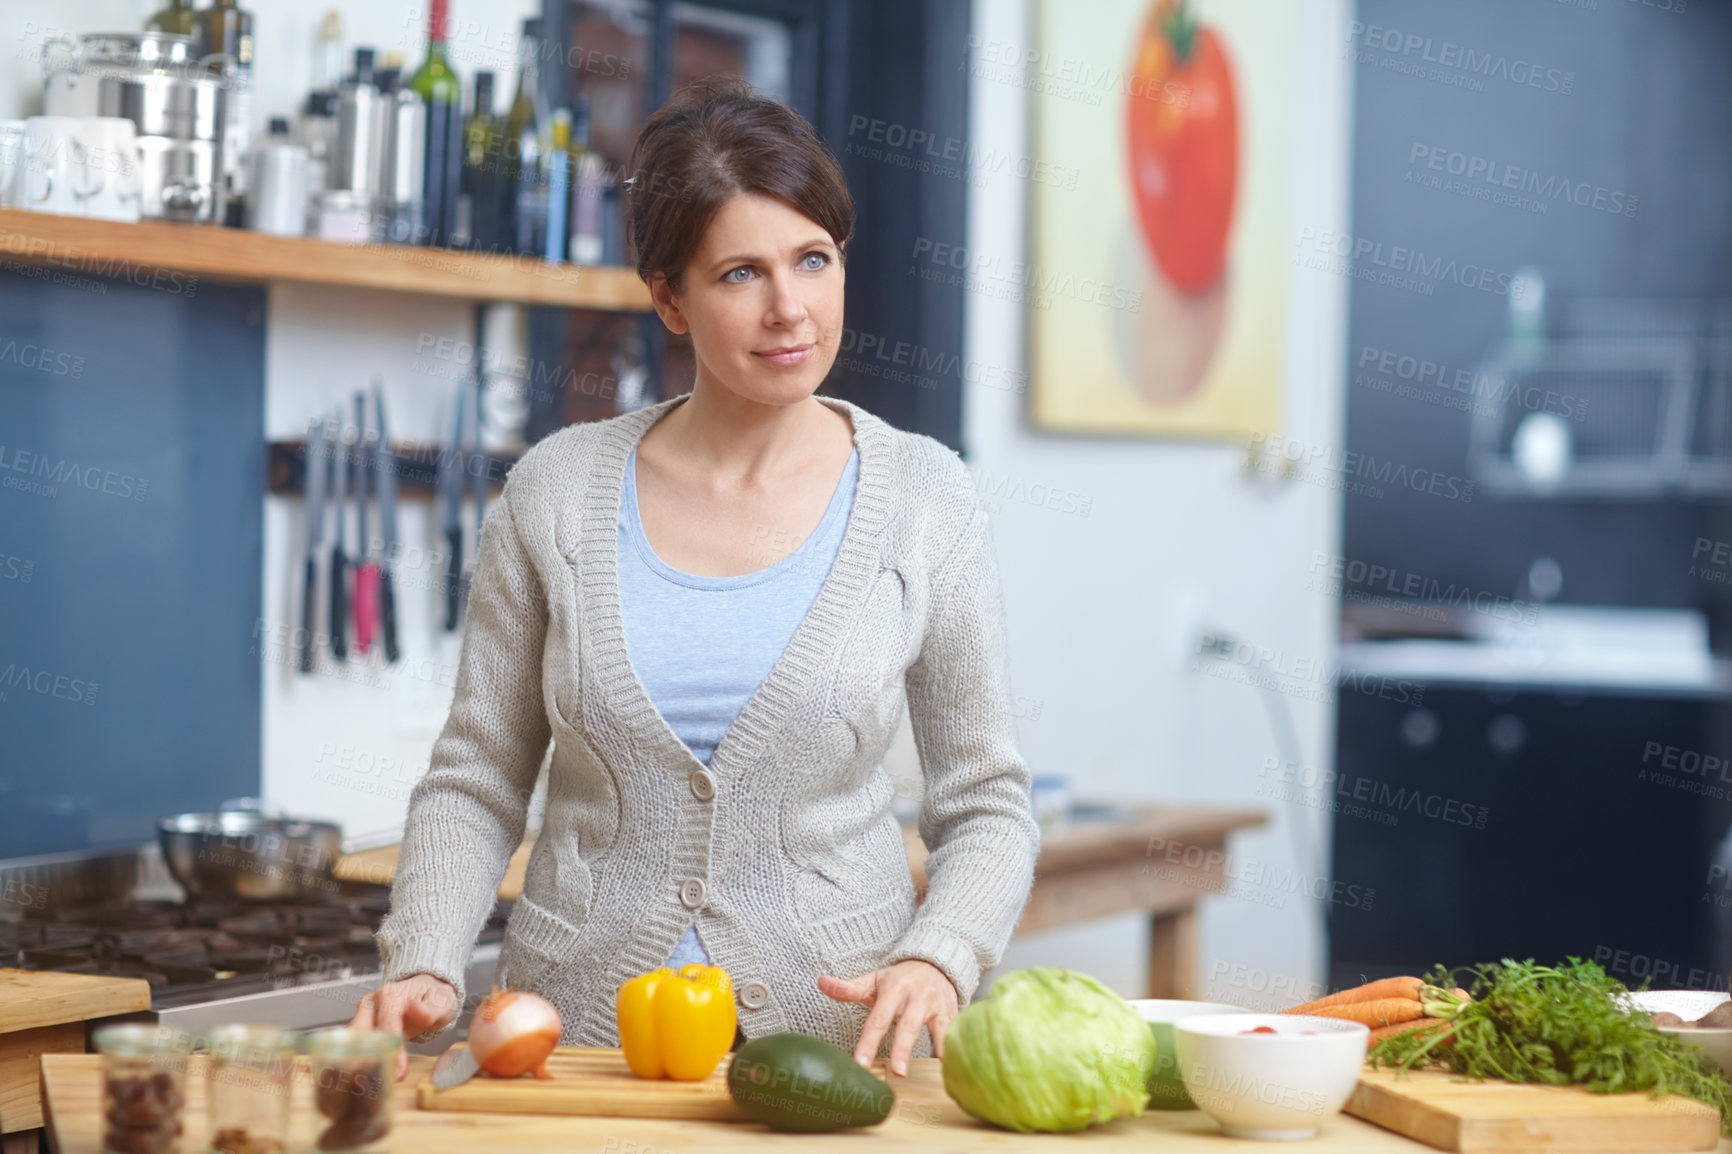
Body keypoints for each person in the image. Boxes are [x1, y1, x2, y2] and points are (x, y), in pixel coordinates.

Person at [350, 74, 1039, 1083]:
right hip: (576, 1047)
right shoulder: (551, 491)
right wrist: (425, 956)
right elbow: (478, 774)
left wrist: (940, 955)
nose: (788, 309)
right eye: (738, 275)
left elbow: (985, 800)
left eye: (813, 259)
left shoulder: (925, 498)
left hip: (836, 1051)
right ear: (667, 296)